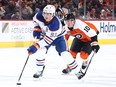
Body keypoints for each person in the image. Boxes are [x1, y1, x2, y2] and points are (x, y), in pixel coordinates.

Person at [27, 5, 79, 79]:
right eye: (45, 13)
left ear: (53, 14)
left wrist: (34, 47)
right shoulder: (38, 15)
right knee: (41, 51)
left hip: (58, 38)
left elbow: (47, 41)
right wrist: (37, 30)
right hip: (46, 36)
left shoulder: (56, 25)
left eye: (49, 14)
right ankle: (39, 70)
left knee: (65, 54)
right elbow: (35, 22)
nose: (46, 15)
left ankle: (77, 71)